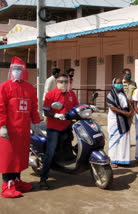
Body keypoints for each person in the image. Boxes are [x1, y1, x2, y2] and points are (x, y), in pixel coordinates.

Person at [0, 56, 41, 198]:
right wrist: (2, 126)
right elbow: (1, 107)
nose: (17, 71)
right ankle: (7, 185)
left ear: (24, 70)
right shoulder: (4, 87)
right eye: (14, 68)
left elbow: (33, 106)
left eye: (20, 68)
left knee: (19, 157)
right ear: (11, 70)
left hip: (23, 130)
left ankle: (16, 181)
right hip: (9, 131)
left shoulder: (29, 87)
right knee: (8, 157)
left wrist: (36, 122)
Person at [40, 74, 79, 190]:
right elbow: (46, 112)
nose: (64, 84)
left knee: (70, 145)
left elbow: (76, 107)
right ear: (57, 82)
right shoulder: (51, 94)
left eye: (66, 81)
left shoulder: (71, 94)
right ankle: (43, 179)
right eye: (61, 81)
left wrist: (87, 108)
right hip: (54, 127)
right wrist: (56, 114)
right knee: (50, 152)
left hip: (67, 125)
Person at [106, 78, 132, 168]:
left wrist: (129, 112)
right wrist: (125, 113)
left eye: (121, 83)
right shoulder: (110, 95)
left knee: (124, 139)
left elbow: (127, 104)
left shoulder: (122, 94)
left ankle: (123, 160)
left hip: (124, 119)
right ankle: (112, 159)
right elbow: (112, 107)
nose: (119, 84)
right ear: (113, 84)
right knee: (114, 139)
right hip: (115, 119)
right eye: (117, 83)